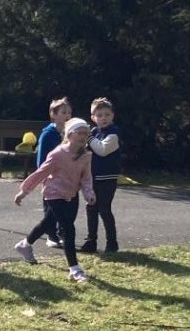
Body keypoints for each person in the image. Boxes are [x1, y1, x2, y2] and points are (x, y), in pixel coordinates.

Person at [13, 117, 95, 281]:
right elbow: (41, 173)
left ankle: (24, 245)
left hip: (71, 194)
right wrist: (24, 191)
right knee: (68, 229)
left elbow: (86, 177)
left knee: (48, 223)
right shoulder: (58, 154)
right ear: (69, 135)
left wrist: (89, 193)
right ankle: (74, 269)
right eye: (79, 133)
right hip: (54, 194)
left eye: (86, 134)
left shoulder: (86, 155)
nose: (83, 136)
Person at [81, 96, 122, 255]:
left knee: (104, 209)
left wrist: (89, 138)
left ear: (112, 116)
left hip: (107, 179)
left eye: (107, 115)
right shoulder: (94, 132)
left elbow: (102, 150)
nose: (103, 118)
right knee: (91, 208)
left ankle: (112, 243)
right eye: (99, 115)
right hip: (92, 178)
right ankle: (91, 241)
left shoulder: (113, 134)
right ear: (93, 118)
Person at [35, 96, 72, 247]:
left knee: (65, 208)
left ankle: (63, 233)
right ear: (53, 115)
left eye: (69, 112)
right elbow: (42, 158)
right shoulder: (48, 134)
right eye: (63, 112)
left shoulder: (70, 134)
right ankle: (51, 236)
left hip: (66, 177)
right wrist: (43, 175)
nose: (67, 115)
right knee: (51, 207)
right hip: (50, 177)